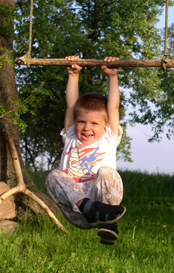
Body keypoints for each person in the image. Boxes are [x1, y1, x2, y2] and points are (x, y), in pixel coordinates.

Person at [46, 56, 126, 245]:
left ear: (105, 125)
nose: (86, 127)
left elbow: (113, 106)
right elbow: (72, 105)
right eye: (81, 121)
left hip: (104, 206)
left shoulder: (108, 138)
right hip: (77, 212)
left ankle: (107, 221)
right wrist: (73, 75)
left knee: (106, 173)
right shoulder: (72, 136)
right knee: (53, 176)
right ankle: (90, 208)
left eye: (94, 123)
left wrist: (112, 76)